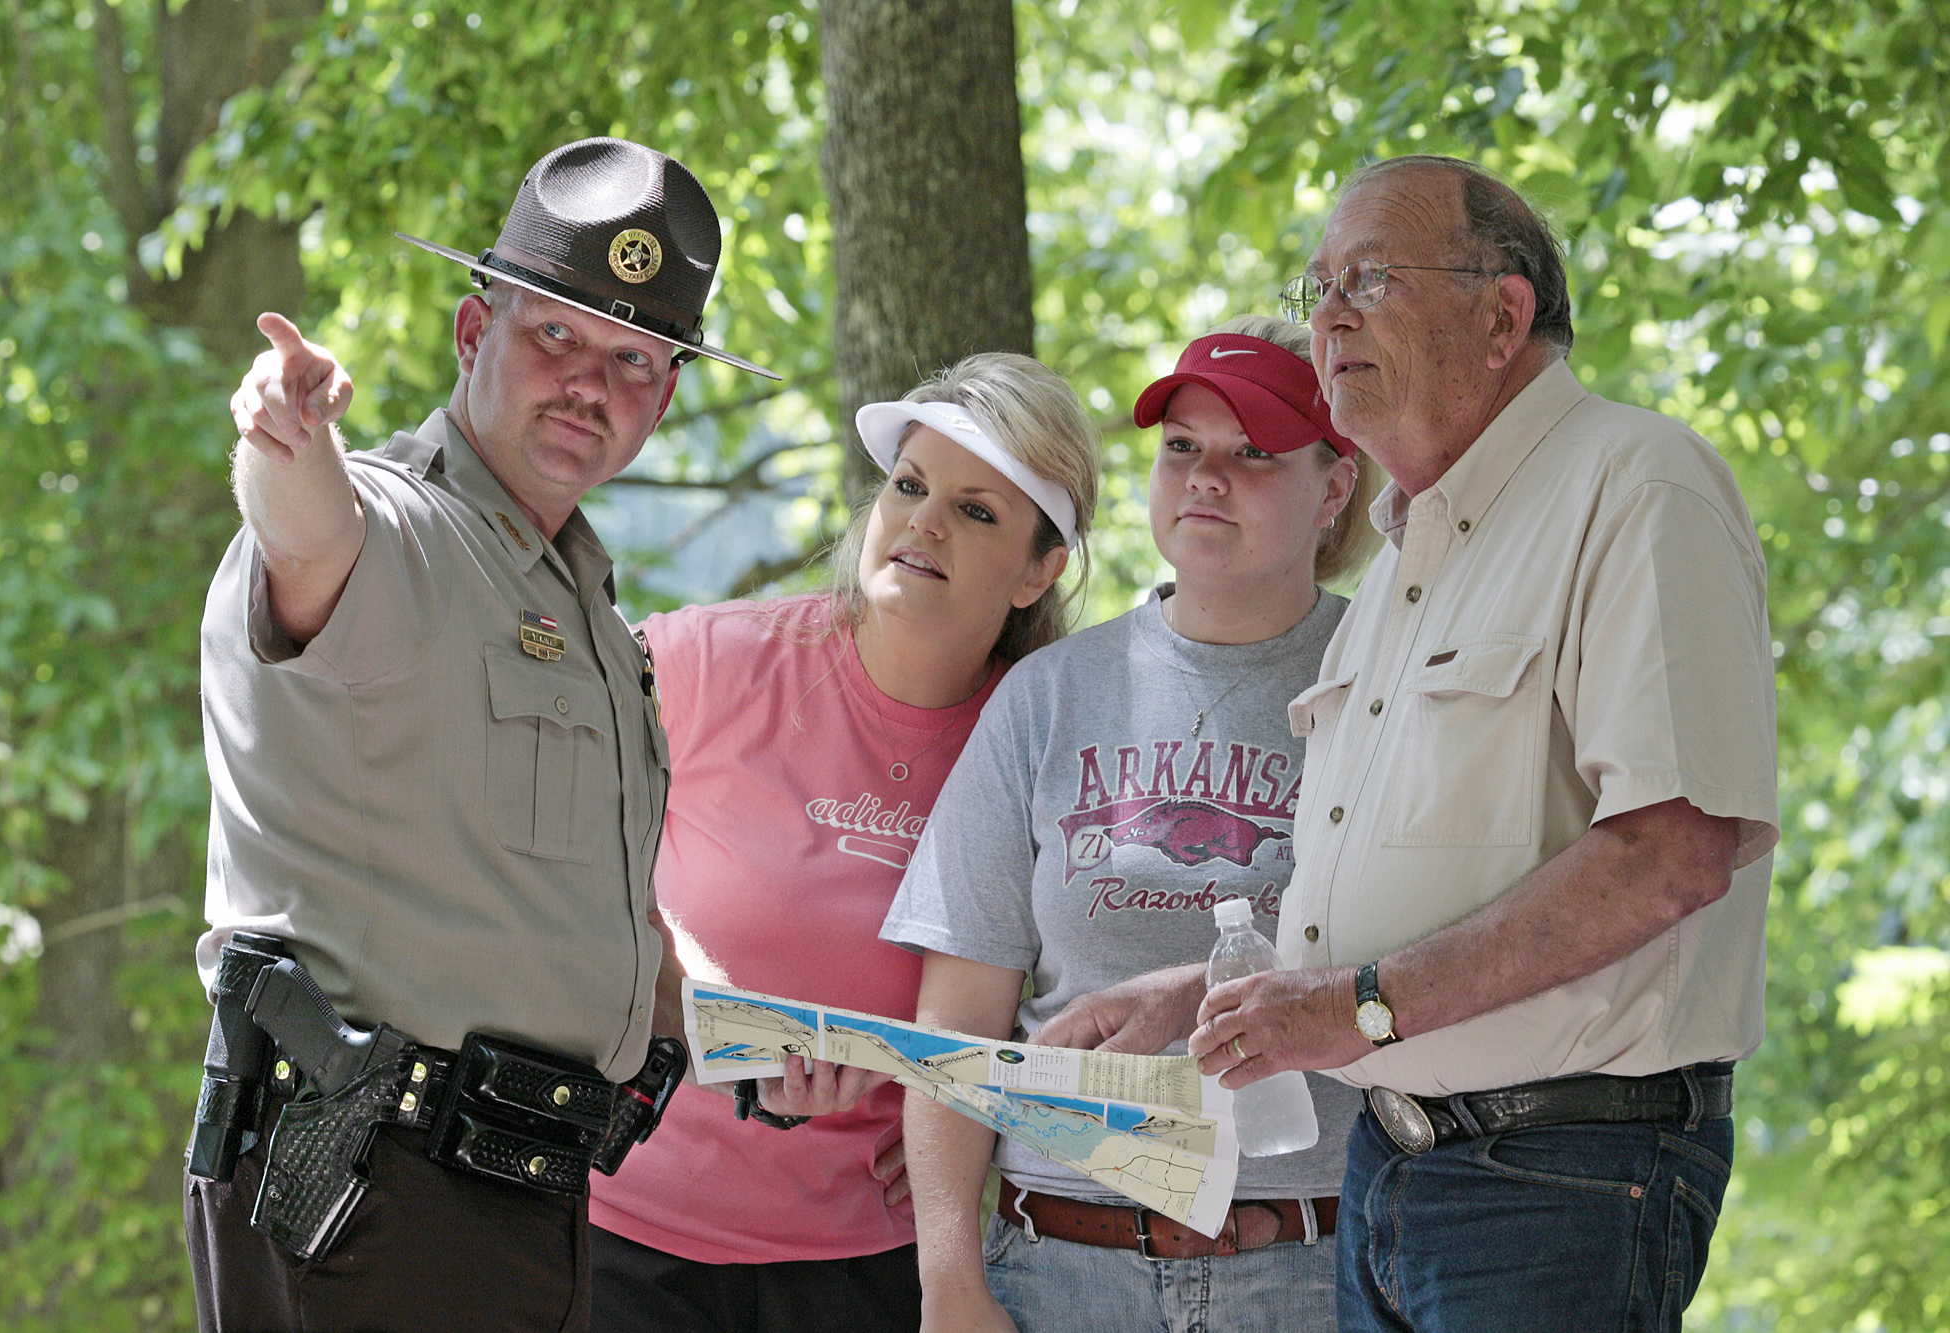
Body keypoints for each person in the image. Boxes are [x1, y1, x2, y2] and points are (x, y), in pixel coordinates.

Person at [1077, 156, 1778, 1331]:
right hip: (1392, 1169)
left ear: (1501, 314)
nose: (1329, 315)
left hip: (1558, 1181)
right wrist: (1225, 991)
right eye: (1317, 290)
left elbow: (1669, 851)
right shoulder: (1407, 549)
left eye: (1371, 278)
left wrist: (1353, 1008)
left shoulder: (1635, 483)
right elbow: (1434, 869)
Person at [185, 137, 776, 1333]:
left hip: (516, 1200)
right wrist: (283, 442)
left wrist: (744, 1031)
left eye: (630, 359)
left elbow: (579, 914)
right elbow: (309, 537)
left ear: (663, 399)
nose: (587, 384)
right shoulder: (400, 532)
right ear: (471, 335)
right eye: (553, 334)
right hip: (357, 1188)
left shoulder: (591, 619)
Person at [881, 317, 1381, 1333]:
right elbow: (957, 1021)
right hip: (1061, 1263)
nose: (1206, 477)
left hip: (1312, 1267)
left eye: (1254, 454)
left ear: (1333, 490)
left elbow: (1430, 952)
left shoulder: (1383, 685)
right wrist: (950, 1278)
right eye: (1181, 448)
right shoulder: (1046, 695)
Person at [586, 353, 1103, 1333]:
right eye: (907, 486)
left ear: (1040, 569)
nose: (924, 521)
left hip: (871, 1272)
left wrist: (956, 1096)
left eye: (978, 510)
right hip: (622, 1237)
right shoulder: (705, 660)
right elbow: (534, 830)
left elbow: (1074, 999)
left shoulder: (1044, 746)